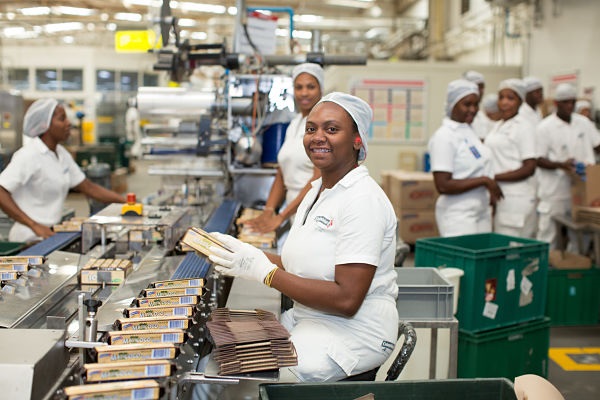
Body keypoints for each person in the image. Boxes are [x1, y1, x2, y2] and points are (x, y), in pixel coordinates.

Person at [208, 92, 399, 382]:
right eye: (311, 129)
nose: (318, 137)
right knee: (220, 354)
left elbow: (347, 299)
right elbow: (299, 264)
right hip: (310, 319)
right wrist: (242, 253)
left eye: (331, 129)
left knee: (244, 378)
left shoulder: (362, 200)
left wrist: (265, 273)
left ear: (357, 140)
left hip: (353, 333)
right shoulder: (318, 191)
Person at [0, 98, 127, 243]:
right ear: (45, 124)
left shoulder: (61, 154)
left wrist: (128, 202)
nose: (68, 123)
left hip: (50, 234)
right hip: (29, 237)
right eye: (62, 119)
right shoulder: (29, 155)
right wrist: (34, 225)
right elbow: (1, 190)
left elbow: (88, 187)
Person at [244, 63, 323, 234]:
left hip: (314, 212)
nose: (304, 93)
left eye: (311, 87)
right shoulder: (294, 124)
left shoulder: (321, 126)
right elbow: (282, 172)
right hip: (294, 212)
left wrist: (281, 217)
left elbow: (319, 179)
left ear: (320, 90)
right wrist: (268, 211)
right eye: (299, 87)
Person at [428, 79, 503, 237]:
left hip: (481, 209)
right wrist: (484, 181)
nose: (473, 110)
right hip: (458, 213)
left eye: (476, 104)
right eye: (467, 104)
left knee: (481, 253)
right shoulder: (444, 136)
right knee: (464, 254)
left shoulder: (468, 131)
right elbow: (442, 185)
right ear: (452, 104)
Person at [536, 83, 600, 249]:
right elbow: (538, 159)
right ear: (556, 103)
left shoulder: (583, 123)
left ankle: (576, 261)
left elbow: (597, 145)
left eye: (572, 102)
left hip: (582, 187)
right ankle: (546, 261)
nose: (569, 106)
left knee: (583, 230)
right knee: (549, 231)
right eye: (565, 102)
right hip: (556, 189)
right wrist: (561, 165)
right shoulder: (545, 127)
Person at [485, 79, 537, 237]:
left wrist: (493, 178)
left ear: (520, 101)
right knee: (502, 242)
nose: (504, 102)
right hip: (501, 195)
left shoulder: (524, 127)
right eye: (501, 97)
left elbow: (529, 168)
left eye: (510, 98)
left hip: (516, 197)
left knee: (512, 246)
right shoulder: (498, 125)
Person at [463, 70, 489, 140]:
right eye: (478, 87)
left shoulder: (481, 115)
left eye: (482, 87)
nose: (481, 91)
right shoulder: (461, 115)